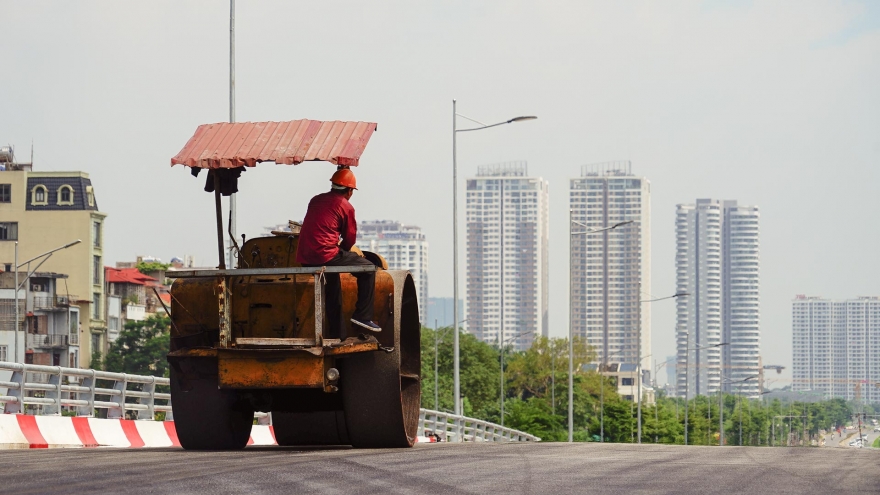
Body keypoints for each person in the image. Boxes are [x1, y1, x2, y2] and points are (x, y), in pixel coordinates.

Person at [296, 168, 381, 336]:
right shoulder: (346, 206)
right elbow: (349, 239)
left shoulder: (316, 200)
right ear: (349, 191)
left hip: (305, 256)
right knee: (368, 269)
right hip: (325, 254)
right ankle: (362, 316)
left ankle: (338, 335)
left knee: (332, 291)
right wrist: (345, 252)